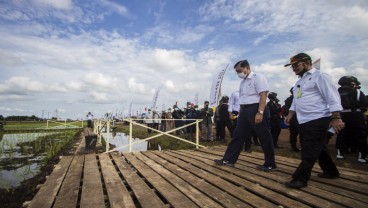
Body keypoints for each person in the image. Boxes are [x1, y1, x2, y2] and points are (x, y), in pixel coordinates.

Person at [284, 52, 344, 189]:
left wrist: (336, 117)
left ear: (307, 62)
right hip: (304, 119)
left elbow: (332, 97)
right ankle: (331, 171)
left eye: (296, 65)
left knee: (309, 149)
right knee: (319, 147)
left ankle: (300, 179)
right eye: (292, 66)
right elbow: (296, 99)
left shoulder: (320, 76)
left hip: (319, 118)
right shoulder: (299, 81)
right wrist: (290, 113)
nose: (294, 69)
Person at [214, 59, 277, 171]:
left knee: (264, 136)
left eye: (240, 70)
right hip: (244, 111)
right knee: (237, 135)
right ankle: (228, 160)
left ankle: (270, 164)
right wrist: (239, 112)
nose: (239, 73)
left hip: (256, 108)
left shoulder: (258, 77)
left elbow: (263, 95)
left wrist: (260, 112)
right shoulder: (243, 82)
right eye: (237, 71)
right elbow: (242, 99)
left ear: (247, 68)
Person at [335, 76, 368, 163]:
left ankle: (340, 154)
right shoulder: (357, 91)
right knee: (360, 135)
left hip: (342, 116)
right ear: (351, 83)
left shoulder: (337, 93)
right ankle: (362, 157)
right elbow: (365, 103)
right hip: (356, 115)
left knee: (341, 135)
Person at [282, 87, 301, 152]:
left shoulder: (288, 99)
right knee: (302, 133)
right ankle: (303, 147)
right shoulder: (298, 97)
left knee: (293, 134)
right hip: (298, 118)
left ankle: (293, 146)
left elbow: (285, 109)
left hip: (291, 118)